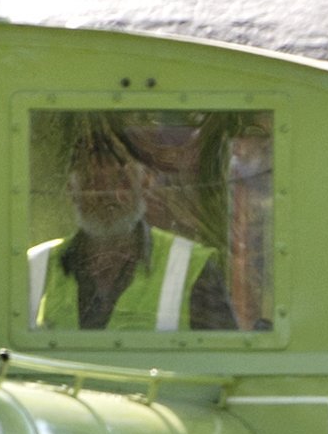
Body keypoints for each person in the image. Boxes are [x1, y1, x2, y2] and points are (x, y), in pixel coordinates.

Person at [30, 120, 236, 331]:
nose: (107, 195)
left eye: (121, 179)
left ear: (145, 182)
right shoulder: (33, 267)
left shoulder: (192, 267)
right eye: (91, 182)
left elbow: (223, 359)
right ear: (71, 190)